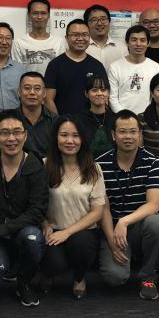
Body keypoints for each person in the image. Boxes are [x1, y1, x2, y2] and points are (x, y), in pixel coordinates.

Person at [96, 110, 159, 300]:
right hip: (112, 229)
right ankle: (125, 256)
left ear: (140, 134)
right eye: (122, 132)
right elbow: (103, 208)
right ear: (113, 135)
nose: (128, 137)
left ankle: (148, 276)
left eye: (132, 132)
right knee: (115, 278)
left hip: (138, 226)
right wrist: (112, 241)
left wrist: (125, 221)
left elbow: (153, 205)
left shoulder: (152, 162)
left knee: (158, 224)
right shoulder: (100, 164)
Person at [0, 110, 49, 306]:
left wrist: (2, 230)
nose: (11, 138)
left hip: (21, 230)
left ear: (25, 135)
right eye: (4, 133)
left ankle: (24, 283)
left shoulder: (36, 167)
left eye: (17, 132)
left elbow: (36, 212)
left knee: (33, 239)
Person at [40, 115, 107, 299]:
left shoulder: (94, 169)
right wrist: (44, 224)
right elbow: (35, 203)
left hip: (83, 232)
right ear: (56, 138)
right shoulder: (44, 165)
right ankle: (48, 273)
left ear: (82, 139)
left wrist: (67, 232)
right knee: (55, 264)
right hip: (53, 230)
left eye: (75, 135)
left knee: (82, 244)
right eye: (64, 135)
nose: (70, 141)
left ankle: (79, 277)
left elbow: (97, 212)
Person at [43, 18, 107, 115]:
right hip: (63, 122)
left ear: (89, 37)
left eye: (84, 35)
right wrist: (59, 121)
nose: (80, 38)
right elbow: (48, 99)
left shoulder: (97, 65)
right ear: (66, 38)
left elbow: (104, 98)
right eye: (75, 35)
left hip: (91, 122)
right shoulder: (55, 65)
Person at [108, 25, 159, 113]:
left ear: (148, 43)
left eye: (143, 40)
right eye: (134, 40)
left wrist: (148, 115)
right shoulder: (115, 67)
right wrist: (125, 116)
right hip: (122, 117)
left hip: (148, 117)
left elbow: (158, 96)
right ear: (127, 42)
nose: (138, 44)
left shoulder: (156, 68)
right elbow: (112, 98)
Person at [12, 0, 67, 75]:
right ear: (29, 15)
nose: (39, 17)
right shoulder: (19, 42)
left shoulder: (59, 42)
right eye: (35, 13)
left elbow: (62, 70)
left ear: (48, 15)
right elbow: (17, 72)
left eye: (43, 13)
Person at [15, 71, 57, 159]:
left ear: (44, 93)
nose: (32, 92)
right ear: (19, 92)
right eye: (27, 88)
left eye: (37, 88)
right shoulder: (10, 119)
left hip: (48, 166)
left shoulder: (55, 120)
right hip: (19, 166)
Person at [76, 76, 114, 158]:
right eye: (94, 90)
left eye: (103, 90)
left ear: (108, 93)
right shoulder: (78, 120)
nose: (99, 93)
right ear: (86, 93)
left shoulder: (116, 119)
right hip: (87, 164)